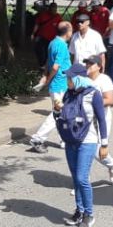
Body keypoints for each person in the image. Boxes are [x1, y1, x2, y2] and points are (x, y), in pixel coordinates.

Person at [58, 64, 109, 227]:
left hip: (88, 140)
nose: (67, 81)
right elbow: (62, 117)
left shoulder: (94, 94)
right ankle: (79, 211)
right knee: (75, 178)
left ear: (79, 78)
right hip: (70, 140)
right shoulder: (68, 94)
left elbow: (101, 120)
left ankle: (89, 214)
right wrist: (56, 111)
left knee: (82, 178)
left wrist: (105, 144)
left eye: (70, 78)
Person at [28, 21, 73, 153]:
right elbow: (55, 66)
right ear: (67, 32)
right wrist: (47, 79)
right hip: (60, 85)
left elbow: (48, 62)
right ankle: (38, 138)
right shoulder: (62, 46)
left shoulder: (53, 43)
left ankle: (64, 140)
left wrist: (44, 75)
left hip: (59, 84)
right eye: (71, 30)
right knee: (57, 114)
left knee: (62, 113)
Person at [84, 56, 113, 182]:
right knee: (84, 149)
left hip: (101, 118)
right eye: (87, 63)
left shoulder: (104, 80)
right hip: (86, 119)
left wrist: (90, 102)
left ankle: (112, 163)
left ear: (99, 66)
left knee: (98, 151)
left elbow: (110, 99)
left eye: (91, 64)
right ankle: (82, 183)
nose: (88, 65)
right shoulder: (83, 79)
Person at [32, 2, 62, 69]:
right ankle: (42, 64)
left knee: (49, 52)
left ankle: (48, 65)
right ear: (49, 9)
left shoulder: (58, 17)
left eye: (55, 9)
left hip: (52, 39)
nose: (54, 10)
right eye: (52, 8)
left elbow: (61, 27)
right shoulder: (43, 15)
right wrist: (33, 34)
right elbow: (37, 24)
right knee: (40, 51)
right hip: (42, 36)